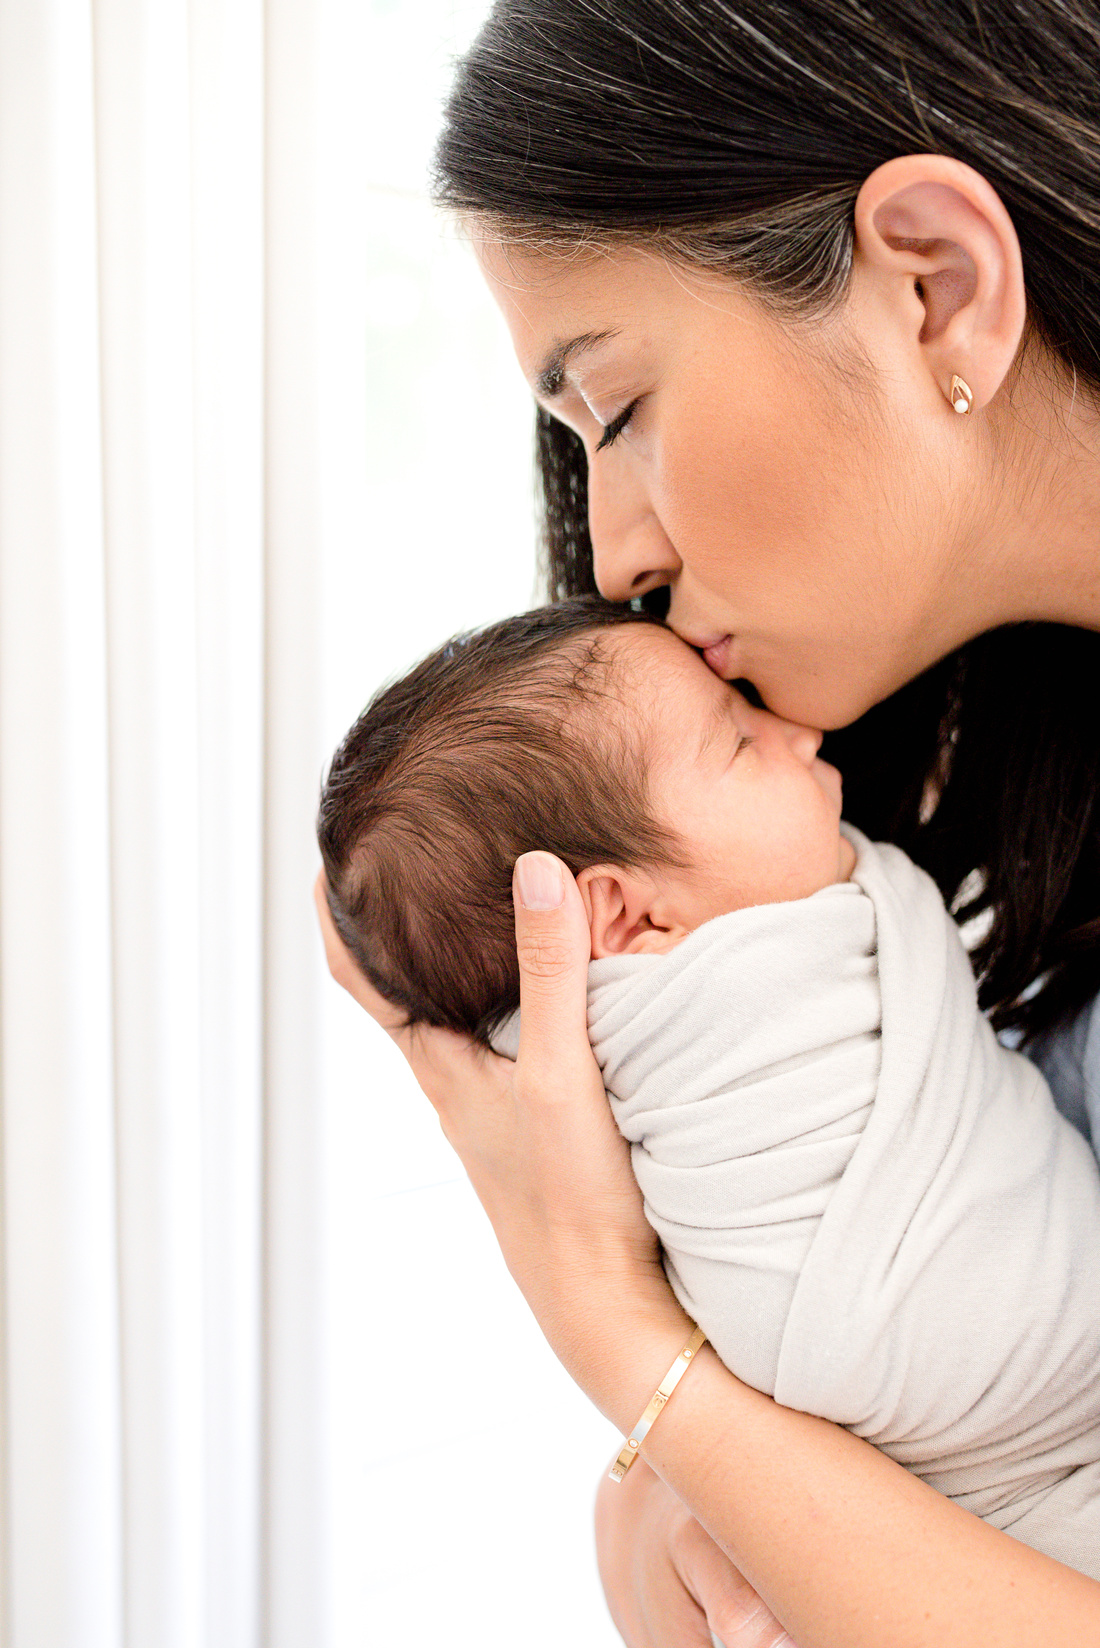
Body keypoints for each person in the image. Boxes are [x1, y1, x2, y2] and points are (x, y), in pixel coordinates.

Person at [318, 2, 1100, 1641]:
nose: (612, 558)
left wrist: (637, 1356)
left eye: (613, 408)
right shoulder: (990, 785)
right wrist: (660, 1487)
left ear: (935, 284)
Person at [318, 597, 1100, 1574]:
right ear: (626, 918)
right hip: (975, 1409)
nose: (796, 731)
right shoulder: (702, 1016)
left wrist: (631, 1366)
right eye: (737, 740)